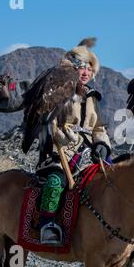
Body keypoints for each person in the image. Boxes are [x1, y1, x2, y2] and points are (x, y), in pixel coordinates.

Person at [37, 42, 112, 245]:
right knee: (56, 182)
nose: (86, 72)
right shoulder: (60, 92)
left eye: (89, 68)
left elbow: (98, 128)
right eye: (81, 67)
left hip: (89, 152)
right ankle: (46, 225)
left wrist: (102, 145)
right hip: (61, 151)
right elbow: (49, 123)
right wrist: (62, 137)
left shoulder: (92, 97)